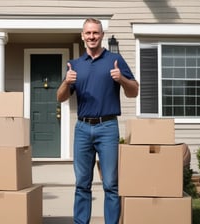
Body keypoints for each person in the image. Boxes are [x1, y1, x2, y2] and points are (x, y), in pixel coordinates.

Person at [56, 18, 139, 224]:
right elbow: (60, 97)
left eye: (95, 33)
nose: (92, 37)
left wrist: (122, 79)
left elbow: (134, 91)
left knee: (110, 184)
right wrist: (67, 82)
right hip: (83, 128)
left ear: (101, 35)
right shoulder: (75, 65)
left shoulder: (114, 60)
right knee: (82, 184)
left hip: (108, 127)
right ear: (82, 36)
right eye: (88, 33)